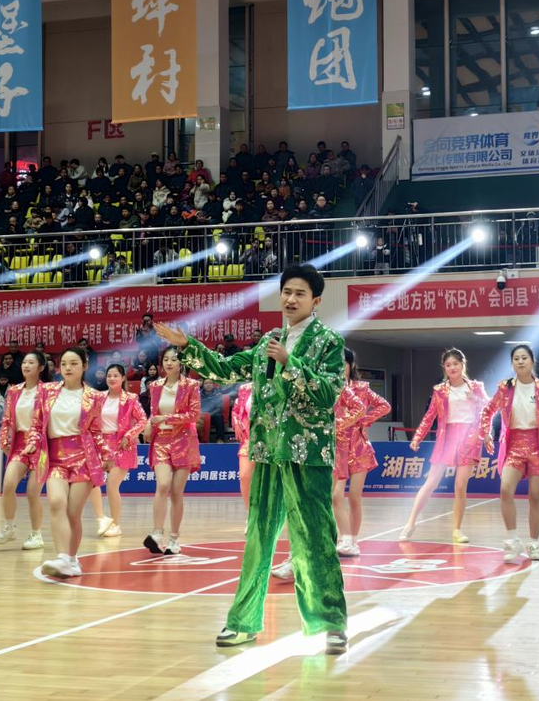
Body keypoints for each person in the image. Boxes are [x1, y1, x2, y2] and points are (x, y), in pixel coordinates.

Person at [154, 263, 349, 654]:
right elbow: (226, 370)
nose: (290, 299)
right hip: (266, 451)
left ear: (315, 301)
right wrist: (189, 347)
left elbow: (329, 394)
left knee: (314, 538)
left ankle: (329, 625)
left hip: (306, 453)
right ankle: (243, 622)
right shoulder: (267, 342)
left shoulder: (328, 342)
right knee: (258, 536)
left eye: (299, 293)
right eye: (286, 292)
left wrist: (291, 363)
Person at [33, 348, 113, 579]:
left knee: (72, 512)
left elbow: (96, 431)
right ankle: (63, 558)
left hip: (83, 458)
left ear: (85, 366)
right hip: (54, 457)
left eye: (74, 363)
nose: (68, 368)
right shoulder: (46, 391)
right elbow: (37, 424)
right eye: (64, 363)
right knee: (56, 502)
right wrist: (31, 443)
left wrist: (106, 454)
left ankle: (71, 559)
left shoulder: (95, 396)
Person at [479, 345, 539, 564]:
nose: (520, 361)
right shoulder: (505, 387)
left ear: (532, 361)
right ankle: (512, 539)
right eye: (516, 358)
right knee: (505, 489)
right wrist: (486, 433)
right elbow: (487, 410)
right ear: (512, 363)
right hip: (514, 445)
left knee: (535, 497)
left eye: (524, 357)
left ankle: (534, 543)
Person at [402, 349, 491, 544]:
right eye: (448, 365)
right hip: (446, 437)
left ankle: (457, 530)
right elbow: (430, 415)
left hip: (469, 437)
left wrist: (484, 432)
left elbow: (489, 409)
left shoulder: (476, 387)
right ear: (444, 368)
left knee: (460, 486)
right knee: (431, 482)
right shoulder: (440, 390)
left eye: (455, 364)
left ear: (463, 365)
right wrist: (417, 437)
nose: (452, 368)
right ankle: (410, 522)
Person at [142, 347, 202, 555]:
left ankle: (174, 539)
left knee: (176, 491)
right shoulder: (155, 386)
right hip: (161, 439)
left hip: (184, 440)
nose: (169, 363)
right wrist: (149, 424)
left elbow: (194, 415)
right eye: (166, 359)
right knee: (162, 484)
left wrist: (167, 418)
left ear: (181, 363)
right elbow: (153, 413)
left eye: (174, 360)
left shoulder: (191, 385)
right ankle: (157, 533)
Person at [332, 348, 390, 557]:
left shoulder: (362, 388)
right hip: (336, 448)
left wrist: (364, 421)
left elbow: (384, 406)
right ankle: (345, 538)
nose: (340, 367)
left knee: (355, 497)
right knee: (335, 495)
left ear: (351, 365)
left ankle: (352, 541)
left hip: (358, 448)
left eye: (343, 363)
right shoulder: (329, 386)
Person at [0, 351, 47, 550]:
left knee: (32, 493)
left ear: (41, 367)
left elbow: (46, 421)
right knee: (8, 485)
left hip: (42, 447)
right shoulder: (14, 391)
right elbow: (7, 419)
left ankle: (36, 535)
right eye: (24, 362)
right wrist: (3, 440)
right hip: (19, 444)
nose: (26, 365)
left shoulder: (48, 391)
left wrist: (37, 440)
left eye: (31, 362)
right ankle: (9, 528)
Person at [86, 364, 148, 539]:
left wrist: (129, 435)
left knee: (112, 486)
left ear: (123, 378)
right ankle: (102, 518)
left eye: (115, 375)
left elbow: (142, 420)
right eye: (109, 375)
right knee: (92, 481)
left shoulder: (130, 398)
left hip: (122, 445)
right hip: (101, 444)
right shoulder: (99, 397)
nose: (112, 378)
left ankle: (116, 524)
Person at [231, 383, 254, 510]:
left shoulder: (275, 384)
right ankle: (250, 513)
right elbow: (236, 409)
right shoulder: (245, 388)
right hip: (248, 438)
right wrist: (236, 423)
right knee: (245, 476)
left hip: (269, 439)